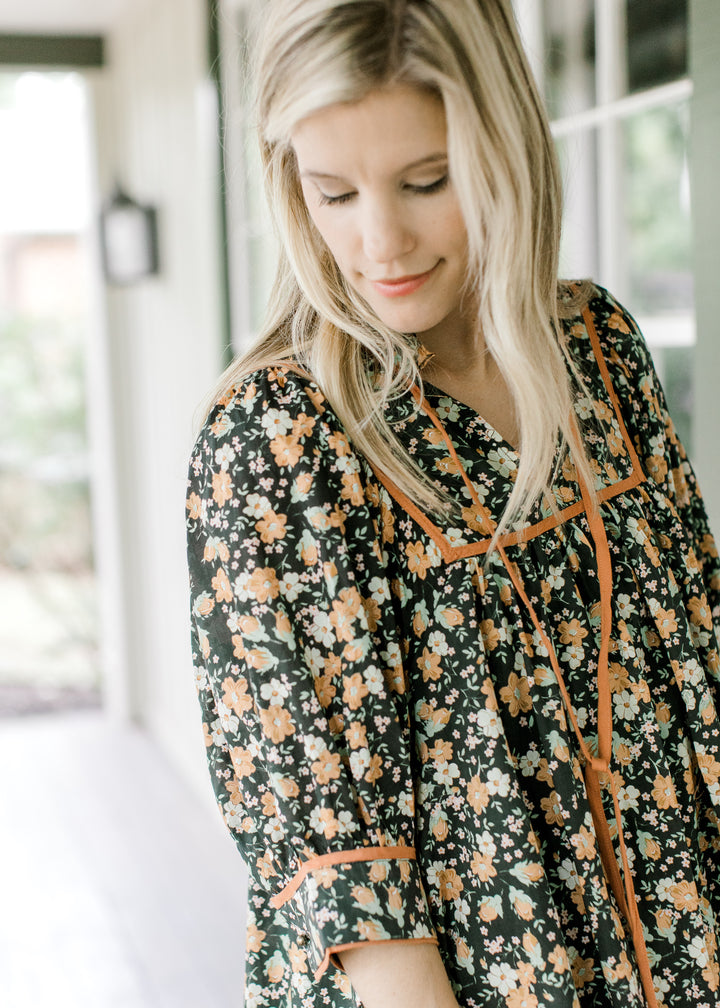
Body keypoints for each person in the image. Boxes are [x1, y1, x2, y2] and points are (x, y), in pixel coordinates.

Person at [185, 2, 720, 1006]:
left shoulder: (597, 350)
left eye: (427, 182)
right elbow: (348, 881)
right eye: (333, 192)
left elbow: (699, 652)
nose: (378, 240)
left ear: (504, 145)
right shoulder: (277, 440)